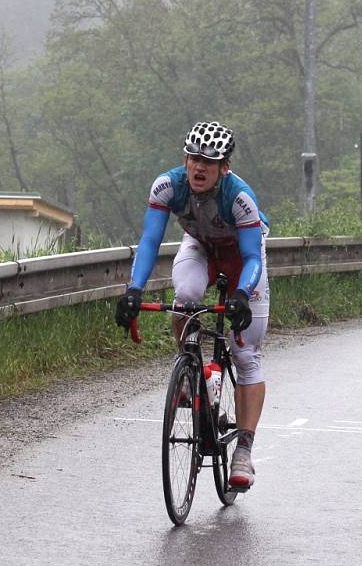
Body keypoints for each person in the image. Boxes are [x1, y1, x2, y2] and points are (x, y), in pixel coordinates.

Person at [115, 121, 269, 490]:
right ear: (184, 159)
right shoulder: (167, 186)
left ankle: (244, 451)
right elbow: (150, 240)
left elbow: (252, 256)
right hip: (199, 246)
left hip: (241, 260)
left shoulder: (239, 197)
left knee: (247, 355)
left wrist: (243, 295)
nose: (199, 167)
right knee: (184, 299)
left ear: (224, 167)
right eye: (193, 158)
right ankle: (191, 369)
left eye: (209, 162)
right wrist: (134, 289)